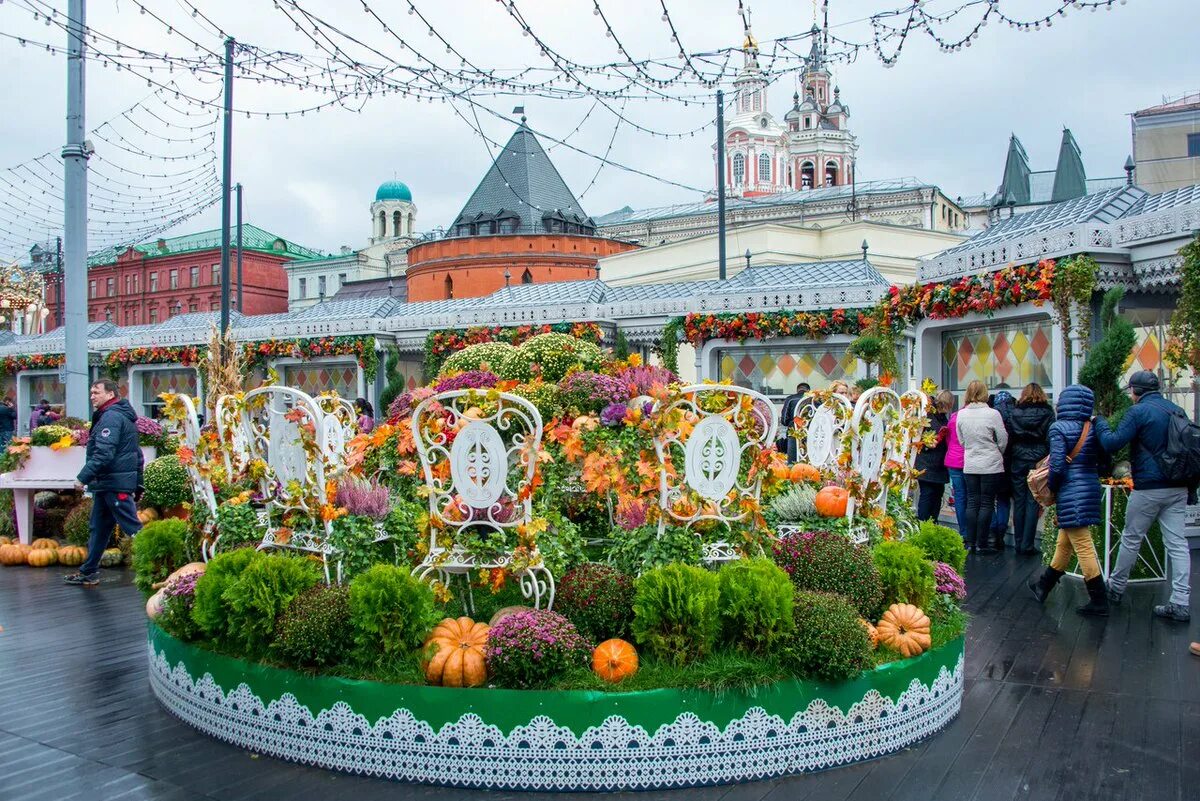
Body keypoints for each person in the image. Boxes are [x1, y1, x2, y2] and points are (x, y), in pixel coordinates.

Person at [1095, 370, 1193, 622]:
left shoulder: (1138, 412)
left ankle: (1115, 589)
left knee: (1131, 538)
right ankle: (1180, 602)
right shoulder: (1175, 410)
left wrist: (1101, 422)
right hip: (1179, 485)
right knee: (1177, 543)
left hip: (1149, 487)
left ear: (1135, 391)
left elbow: (1112, 443)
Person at [1027, 384, 1107, 615]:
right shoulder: (1091, 427)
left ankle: (1099, 599)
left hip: (1070, 490)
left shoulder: (1059, 427)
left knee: (1082, 545)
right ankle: (1044, 585)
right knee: (1065, 541)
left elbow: (1058, 465)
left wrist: (1051, 488)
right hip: (1089, 486)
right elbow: (1103, 459)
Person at [63, 380, 144, 587]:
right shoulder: (117, 416)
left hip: (114, 484)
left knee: (133, 528)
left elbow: (104, 453)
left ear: (110, 394)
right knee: (98, 529)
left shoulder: (111, 417)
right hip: (108, 484)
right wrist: (139, 484)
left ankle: (162, 567)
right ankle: (88, 571)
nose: (92, 396)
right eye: (91, 392)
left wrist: (83, 477)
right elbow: (138, 455)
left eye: (96, 392)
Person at [956, 380, 1008, 553]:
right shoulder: (993, 414)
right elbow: (1002, 439)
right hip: (990, 463)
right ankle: (982, 543)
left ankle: (970, 542)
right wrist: (996, 451)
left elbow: (961, 440)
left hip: (971, 463)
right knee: (986, 503)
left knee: (972, 502)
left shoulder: (961, 414)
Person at [1007, 383, 1055, 554]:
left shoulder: (1016, 411)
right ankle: (1028, 544)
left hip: (1018, 459)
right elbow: (1051, 438)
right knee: (1033, 500)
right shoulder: (1048, 412)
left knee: (1019, 501)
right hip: (1038, 460)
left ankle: (1018, 542)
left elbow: (1010, 437)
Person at [915, 390, 953, 522]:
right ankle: (923, 523)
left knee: (937, 494)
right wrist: (927, 443)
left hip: (939, 462)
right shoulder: (928, 415)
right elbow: (918, 438)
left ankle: (932, 521)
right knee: (928, 493)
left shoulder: (942, 417)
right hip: (927, 461)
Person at [989, 387, 1016, 548]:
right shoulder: (1015, 417)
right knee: (1004, 500)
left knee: (989, 498)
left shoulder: (992, 417)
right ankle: (1001, 531)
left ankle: (992, 532)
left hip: (993, 462)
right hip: (1010, 464)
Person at [944, 398, 970, 540]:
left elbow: (949, 440)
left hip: (953, 461)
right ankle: (973, 530)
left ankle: (963, 530)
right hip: (967, 460)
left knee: (959, 496)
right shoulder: (970, 419)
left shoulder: (954, 417)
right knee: (972, 496)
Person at [779, 382, 811, 463]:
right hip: (811, 431)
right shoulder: (814, 399)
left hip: (794, 432)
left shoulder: (790, 399)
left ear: (797, 390)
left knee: (793, 462)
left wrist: (792, 422)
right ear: (808, 390)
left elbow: (784, 420)